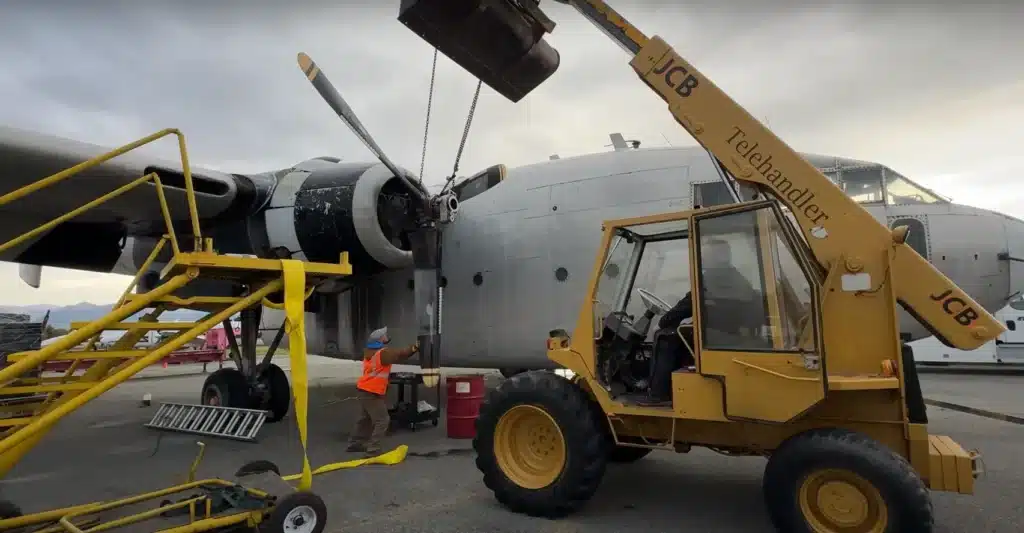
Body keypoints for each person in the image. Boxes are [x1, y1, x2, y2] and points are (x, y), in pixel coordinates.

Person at [346, 326, 419, 456]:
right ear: (380, 339)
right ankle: (374, 449)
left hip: (364, 390)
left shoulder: (370, 352)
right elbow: (400, 354)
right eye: (385, 335)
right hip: (371, 392)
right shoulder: (382, 353)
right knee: (382, 420)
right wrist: (414, 348)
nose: (387, 337)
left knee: (365, 418)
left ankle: (355, 443)